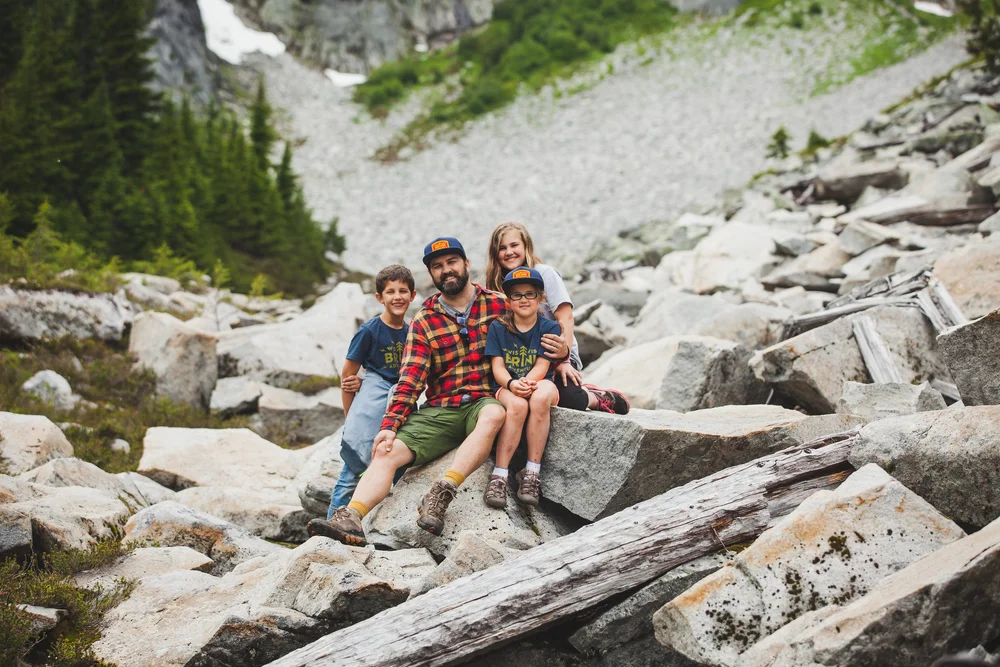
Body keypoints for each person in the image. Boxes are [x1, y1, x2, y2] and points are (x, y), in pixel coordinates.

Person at [307, 237, 508, 546]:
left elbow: (531, 333)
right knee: (386, 450)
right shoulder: (425, 320)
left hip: (482, 402)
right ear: (431, 274)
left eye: (452, 262)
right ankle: (351, 517)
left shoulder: (498, 304)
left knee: (494, 414)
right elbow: (411, 379)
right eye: (437, 266)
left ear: (467, 264)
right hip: (441, 409)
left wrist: (563, 358)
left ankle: (441, 493)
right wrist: (389, 427)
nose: (446, 270)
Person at [485, 221, 630, 415]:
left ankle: (595, 396)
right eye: (502, 248)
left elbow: (566, 317)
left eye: (514, 245)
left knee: (570, 399)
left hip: (554, 354)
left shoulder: (545, 274)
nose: (509, 252)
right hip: (517, 358)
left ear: (526, 246)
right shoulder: (496, 284)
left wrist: (564, 359)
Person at [325, 264, 416, 517]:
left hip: (398, 406)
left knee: (397, 469)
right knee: (350, 474)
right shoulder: (369, 331)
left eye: (403, 291)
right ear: (379, 297)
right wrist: (350, 419)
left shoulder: (411, 332)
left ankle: (378, 524)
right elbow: (348, 376)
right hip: (370, 407)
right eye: (390, 292)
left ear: (412, 295)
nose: (397, 297)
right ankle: (330, 525)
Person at [483, 267, 561, 509]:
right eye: (516, 295)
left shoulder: (550, 327)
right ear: (508, 301)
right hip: (508, 384)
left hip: (539, 382)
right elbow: (497, 366)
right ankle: (499, 475)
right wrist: (511, 384)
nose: (524, 299)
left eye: (530, 294)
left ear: (541, 298)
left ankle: (532, 473)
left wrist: (527, 382)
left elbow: (543, 365)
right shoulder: (498, 327)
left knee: (540, 398)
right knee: (516, 406)